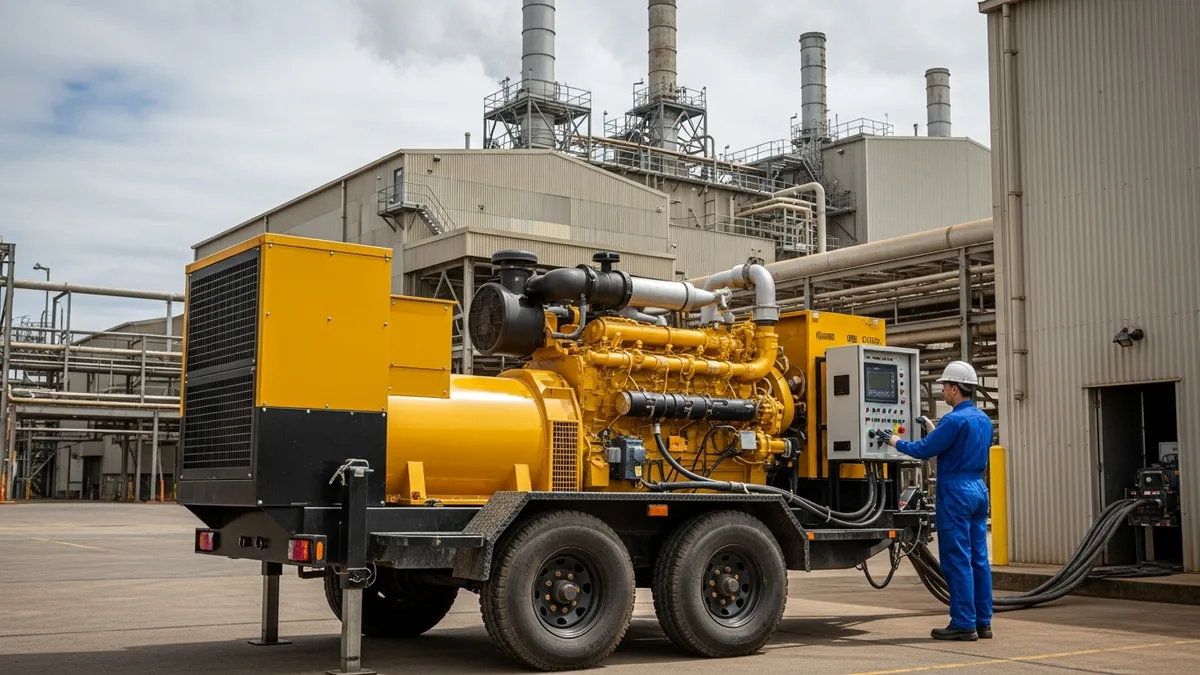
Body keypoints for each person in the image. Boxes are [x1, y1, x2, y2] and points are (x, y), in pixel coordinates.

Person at [877, 360, 994, 641]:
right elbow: (955, 444)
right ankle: (983, 622)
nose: (942, 391)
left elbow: (923, 450)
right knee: (979, 558)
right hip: (978, 488)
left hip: (956, 492)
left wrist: (893, 441)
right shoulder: (983, 420)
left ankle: (963, 623)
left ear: (955, 388)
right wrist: (932, 427)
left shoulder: (954, 420)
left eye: (944, 387)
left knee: (957, 560)